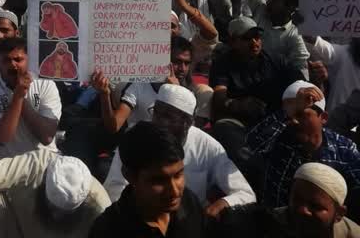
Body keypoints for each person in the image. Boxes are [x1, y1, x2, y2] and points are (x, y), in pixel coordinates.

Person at [104, 84, 256, 217]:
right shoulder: (136, 138)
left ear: (188, 122)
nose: (160, 122)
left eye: (169, 117)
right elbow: (114, 189)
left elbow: (245, 193)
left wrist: (221, 204)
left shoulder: (208, 146)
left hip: (191, 222)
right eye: (157, 113)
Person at [246, 81, 360, 209]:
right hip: (277, 220)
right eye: (289, 115)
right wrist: (287, 112)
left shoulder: (343, 148)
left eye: (300, 114)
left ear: (323, 117)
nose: (294, 121)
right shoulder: (279, 139)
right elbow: (252, 144)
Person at [88, 121, 207, 238]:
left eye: (178, 175)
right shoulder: (107, 231)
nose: (175, 191)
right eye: (159, 180)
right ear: (129, 176)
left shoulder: (189, 203)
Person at [0, 150, 111, 238]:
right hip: (15, 227)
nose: (55, 217)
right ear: (43, 182)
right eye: (52, 208)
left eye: (62, 213)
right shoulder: (38, 164)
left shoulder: (101, 208)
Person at [218, 162, 360, 238]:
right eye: (297, 200)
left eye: (315, 206)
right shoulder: (267, 224)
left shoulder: (353, 234)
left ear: (339, 214)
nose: (302, 210)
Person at [0, 37, 61, 159]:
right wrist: (18, 96)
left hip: (45, 160)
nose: (12, 65)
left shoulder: (46, 85)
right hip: (9, 165)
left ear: (28, 60)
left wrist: (21, 95)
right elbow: (3, 138)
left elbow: (47, 136)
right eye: (6, 60)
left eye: (18, 59)